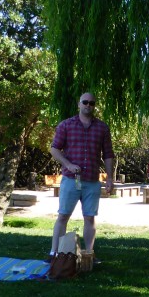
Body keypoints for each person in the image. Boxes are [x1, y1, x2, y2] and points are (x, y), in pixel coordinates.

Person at [48, 91, 115, 260]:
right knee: (63, 216)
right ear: (79, 104)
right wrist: (68, 165)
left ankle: (89, 254)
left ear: (94, 106)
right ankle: (53, 253)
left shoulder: (102, 128)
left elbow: (108, 154)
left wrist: (109, 178)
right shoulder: (66, 125)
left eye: (92, 103)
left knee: (90, 218)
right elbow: (54, 149)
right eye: (85, 102)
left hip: (92, 181)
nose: (88, 105)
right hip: (71, 180)